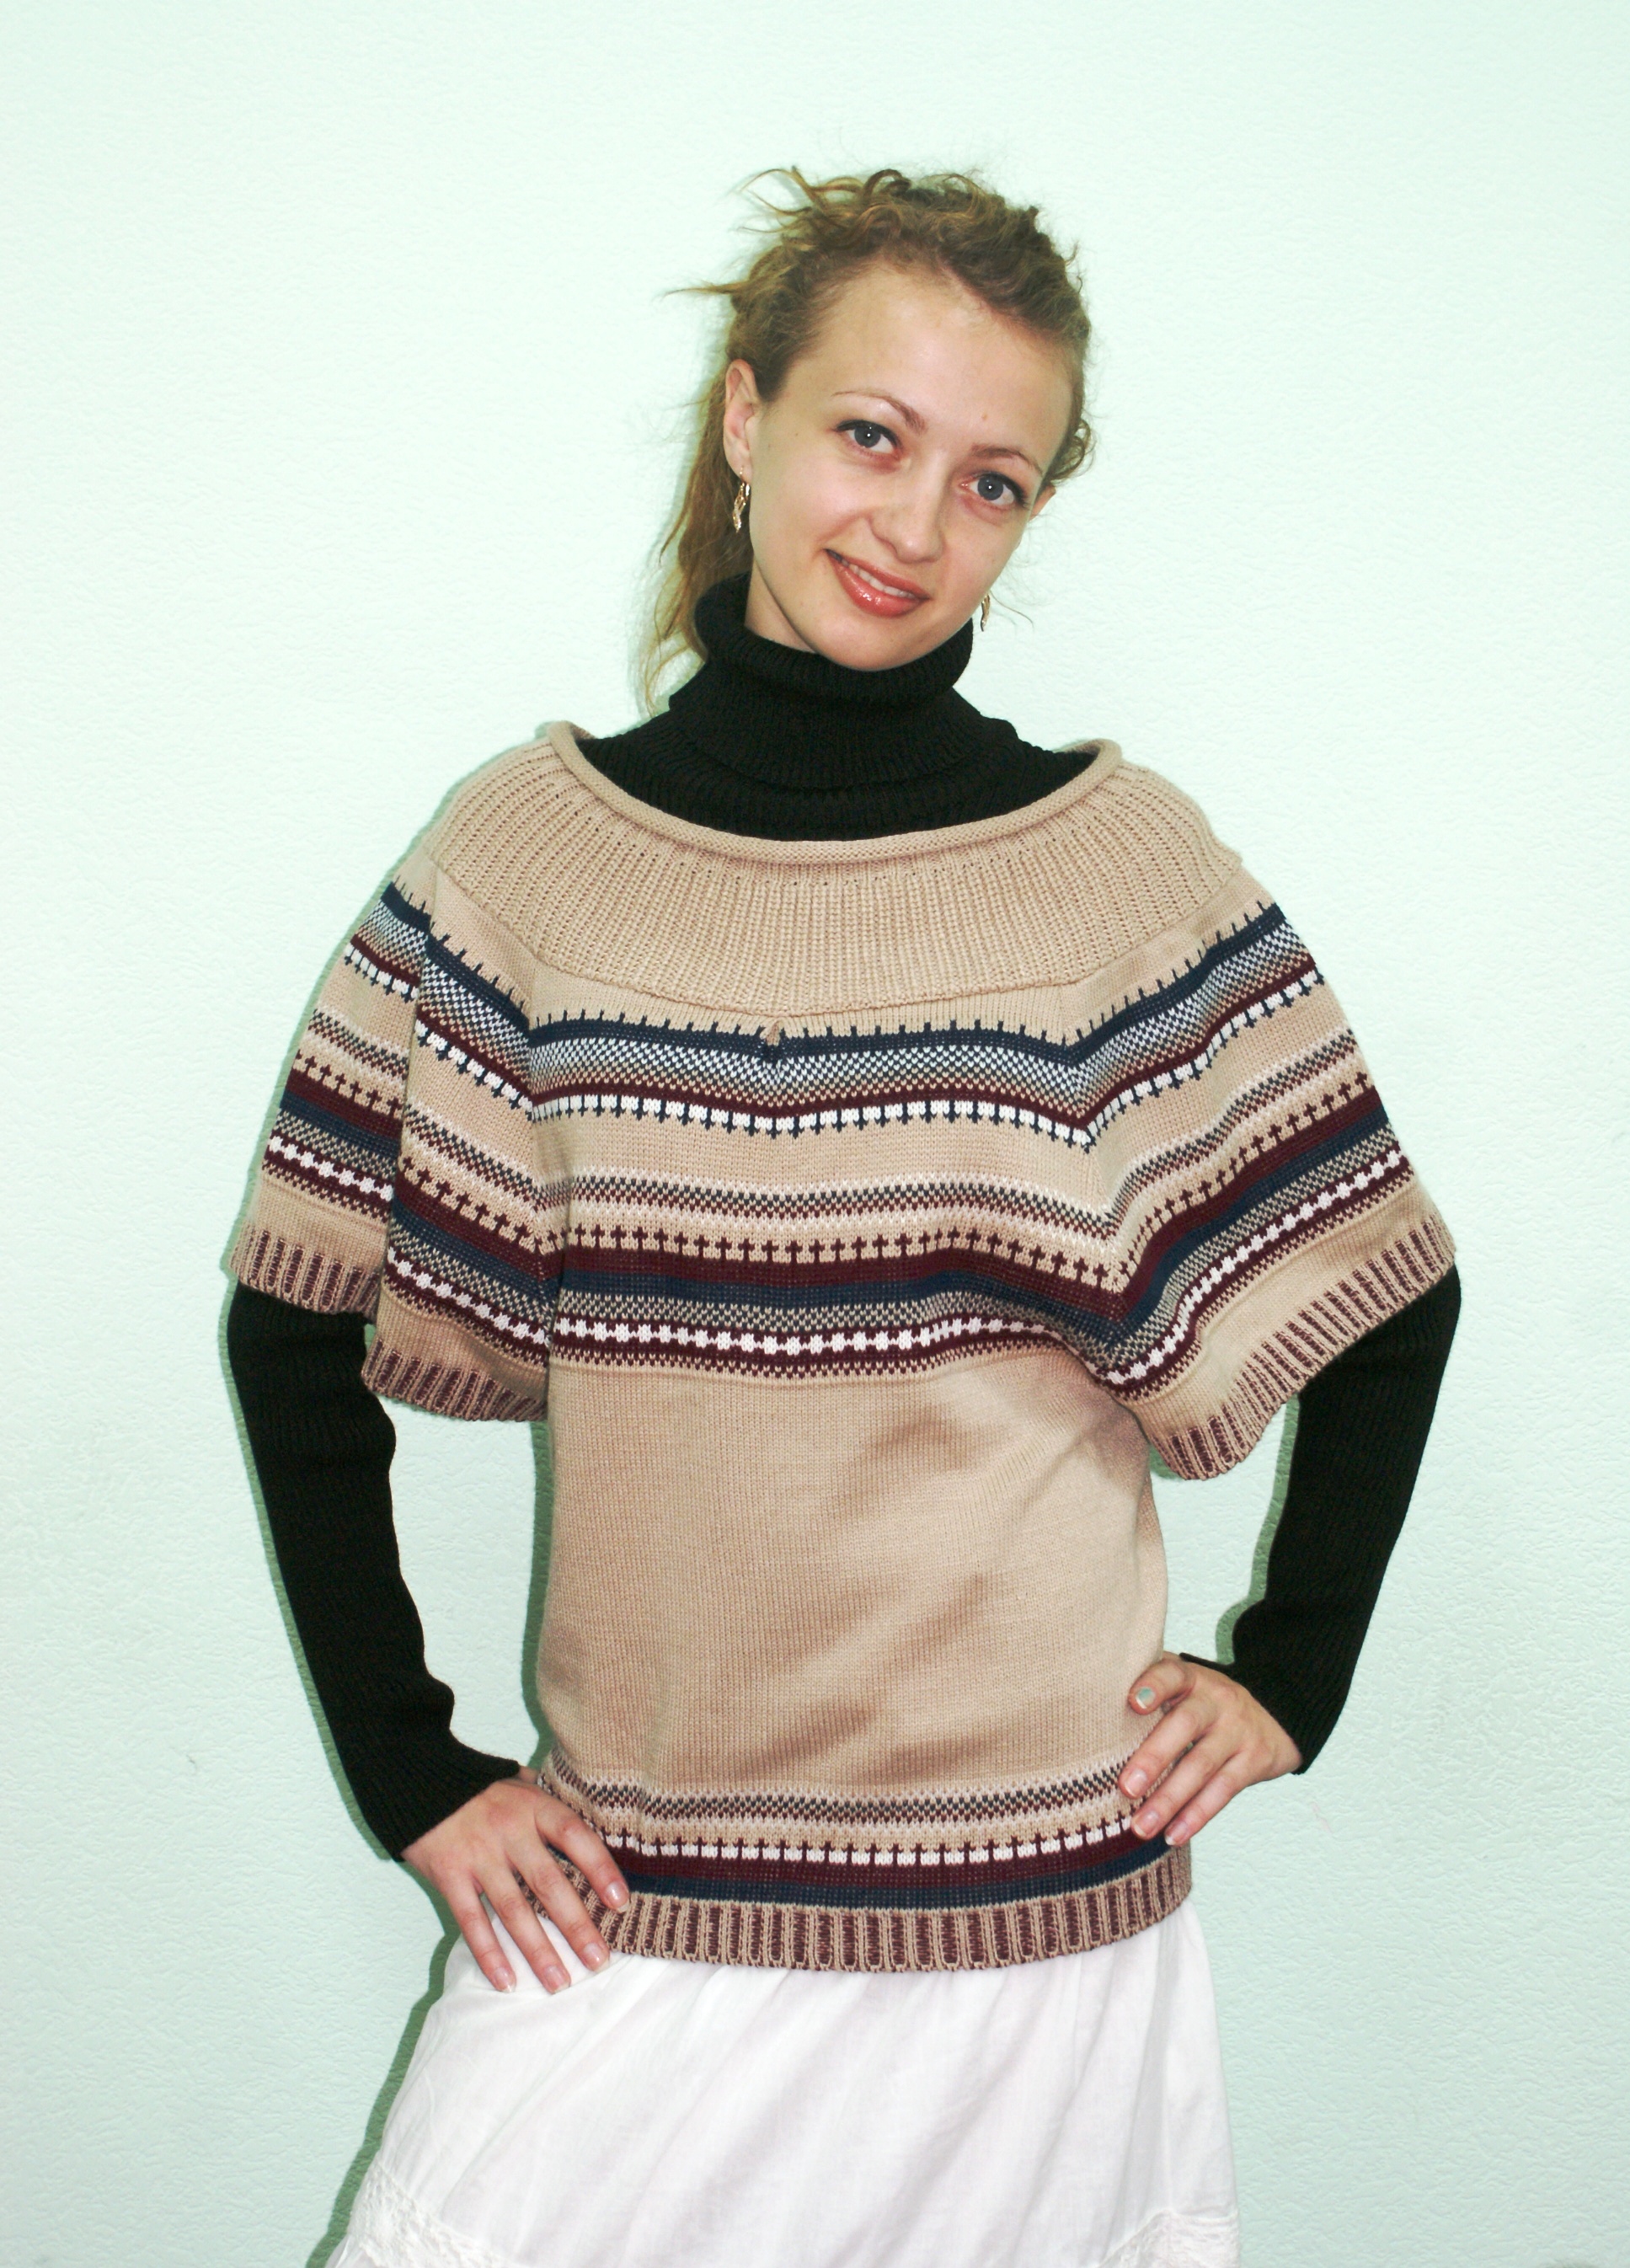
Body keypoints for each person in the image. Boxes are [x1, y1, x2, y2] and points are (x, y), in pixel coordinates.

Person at [227, 168, 1460, 2268]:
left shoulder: (1114, 873)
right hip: (635, 1897)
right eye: (868, 435)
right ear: (745, 416)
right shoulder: (521, 865)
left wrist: (1291, 1672)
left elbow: (1384, 1281)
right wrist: (411, 1769)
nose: (912, 524)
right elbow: (295, 1313)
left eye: (989, 481)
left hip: (1035, 1926)